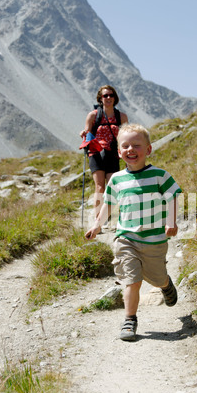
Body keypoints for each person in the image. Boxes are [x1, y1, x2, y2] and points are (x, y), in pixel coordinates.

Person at [85, 123, 181, 341]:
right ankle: (130, 320)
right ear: (119, 152)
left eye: (136, 145)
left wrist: (171, 220)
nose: (130, 149)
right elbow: (107, 204)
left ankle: (165, 284)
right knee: (131, 279)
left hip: (155, 239)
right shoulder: (117, 179)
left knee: (156, 278)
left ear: (148, 150)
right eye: (125, 146)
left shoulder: (160, 176)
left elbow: (174, 196)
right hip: (126, 237)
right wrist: (96, 225)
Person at [80, 85, 128, 219]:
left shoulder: (122, 117)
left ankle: (115, 217)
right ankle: (98, 220)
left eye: (111, 95)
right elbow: (87, 133)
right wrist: (83, 134)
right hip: (96, 153)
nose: (108, 98)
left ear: (115, 98)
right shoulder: (93, 115)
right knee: (99, 187)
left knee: (113, 187)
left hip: (113, 154)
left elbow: (126, 135)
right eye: (105, 95)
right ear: (100, 98)